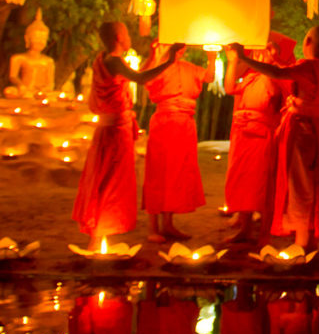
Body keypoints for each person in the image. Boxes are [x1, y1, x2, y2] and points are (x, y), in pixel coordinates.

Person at [71, 22, 181, 249]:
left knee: (109, 178)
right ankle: (99, 232)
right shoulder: (113, 61)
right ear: (120, 36)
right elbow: (141, 79)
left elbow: (140, 75)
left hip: (113, 127)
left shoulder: (104, 59)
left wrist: (154, 55)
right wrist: (169, 61)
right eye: (127, 32)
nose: (130, 36)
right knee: (109, 180)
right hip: (114, 130)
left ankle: (102, 230)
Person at [232, 26, 319, 250]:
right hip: (318, 130)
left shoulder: (305, 66)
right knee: (315, 182)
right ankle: (312, 238)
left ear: (306, 41)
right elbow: (304, 81)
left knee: (299, 184)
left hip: (300, 130)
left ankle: (301, 241)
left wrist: (244, 58)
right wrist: (277, 59)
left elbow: (281, 75)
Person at [222, 34, 291, 244]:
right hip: (244, 135)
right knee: (243, 183)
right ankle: (245, 228)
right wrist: (233, 61)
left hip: (262, 137)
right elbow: (230, 88)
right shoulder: (252, 78)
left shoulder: (276, 77)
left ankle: (263, 233)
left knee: (263, 185)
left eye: (265, 52)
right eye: (258, 52)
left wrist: (272, 60)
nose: (260, 55)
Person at [142, 43, 213, 243]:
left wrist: (213, 56)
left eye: (181, 48)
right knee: (158, 172)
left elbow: (209, 77)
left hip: (184, 123)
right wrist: (155, 54)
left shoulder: (188, 67)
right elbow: (144, 79)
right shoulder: (158, 65)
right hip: (164, 122)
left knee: (176, 173)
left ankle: (168, 223)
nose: (178, 51)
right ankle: (153, 226)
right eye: (175, 47)